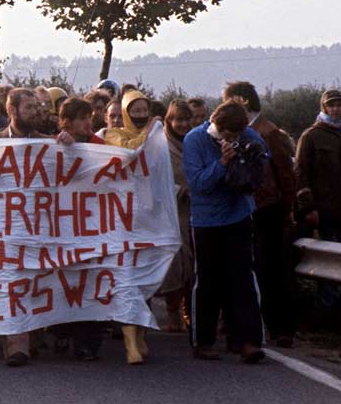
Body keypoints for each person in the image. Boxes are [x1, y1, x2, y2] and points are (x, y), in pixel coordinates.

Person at [183, 101, 267, 364]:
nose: (228, 138)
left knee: (242, 280)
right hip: (207, 220)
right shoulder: (195, 139)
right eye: (224, 133)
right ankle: (203, 341)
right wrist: (222, 163)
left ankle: (247, 341)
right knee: (208, 282)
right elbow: (198, 184)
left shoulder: (250, 136)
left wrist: (249, 158)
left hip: (238, 215)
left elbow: (258, 174)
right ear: (214, 122)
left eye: (234, 135)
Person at [223, 81, 297, 346]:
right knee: (256, 270)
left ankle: (281, 329)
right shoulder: (245, 131)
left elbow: (286, 175)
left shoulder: (268, 132)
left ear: (241, 101)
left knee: (273, 271)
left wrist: (288, 209)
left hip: (269, 210)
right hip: (251, 208)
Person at [0, 88, 49, 366]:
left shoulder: (51, 144)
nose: (36, 112)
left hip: (41, 226)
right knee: (11, 282)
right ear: (12, 111)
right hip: (5, 227)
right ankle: (15, 345)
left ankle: (32, 337)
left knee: (35, 282)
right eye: (30, 108)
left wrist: (72, 145)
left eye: (38, 107)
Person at [103, 90, 157, 364]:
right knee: (125, 278)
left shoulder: (153, 134)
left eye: (143, 109)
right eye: (133, 110)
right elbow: (132, 151)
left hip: (144, 217)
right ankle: (129, 343)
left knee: (143, 277)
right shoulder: (113, 136)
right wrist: (151, 130)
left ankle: (140, 335)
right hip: (118, 219)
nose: (139, 115)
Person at [295, 89, 341, 315]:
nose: (336, 109)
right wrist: (308, 208)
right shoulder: (311, 136)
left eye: (339, 105)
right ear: (324, 108)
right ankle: (324, 314)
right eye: (331, 105)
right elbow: (300, 175)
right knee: (329, 267)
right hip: (325, 212)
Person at [54, 98, 106, 361]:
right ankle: (62, 331)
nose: (89, 122)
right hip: (62, 226)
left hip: (92, 225)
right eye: (83, 118)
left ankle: (88, 341)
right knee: (63, 281)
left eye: (91, 117)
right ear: (67, 122)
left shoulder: (100, 146)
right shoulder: (53, 145)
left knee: (90, 282)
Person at [160, 100, 194, 333]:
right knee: (175, 264)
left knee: (193, 264)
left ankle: (190, 311)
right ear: (169, 121)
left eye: (186, 119)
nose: (182, 124)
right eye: (177, 120)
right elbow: (155, 179)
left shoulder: (196, 143)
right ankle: (173, 311)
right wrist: (180, 191)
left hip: (196, 211)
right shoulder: (160, 147)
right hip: (171, 212)